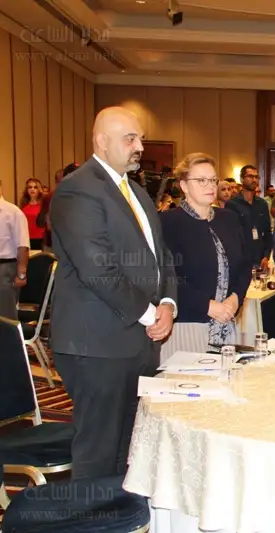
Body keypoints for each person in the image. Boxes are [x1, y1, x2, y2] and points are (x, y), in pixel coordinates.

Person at [49, 106, 178, 480]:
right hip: (97, 344)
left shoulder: (136, 191)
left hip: (137, 341)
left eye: (140, 139)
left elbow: (161, 255)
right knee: (99, 452)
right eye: (130, 139)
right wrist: (150, 313)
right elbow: (97, 268)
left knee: (130, 448)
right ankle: (92, 512)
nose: (140, 147)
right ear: (101, 141)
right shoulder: (77, 189)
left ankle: (122, 510)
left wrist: (167, 303)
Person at [159, 153, 250, 362]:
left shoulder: (229, 219)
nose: (209, 186)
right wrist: (208, 306)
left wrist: (236, 297)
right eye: (201, 180)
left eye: (213, 180)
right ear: (184, 185)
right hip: (187, 325)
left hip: (227, 324)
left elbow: (244, 265)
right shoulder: (167, 223)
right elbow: (167, 277)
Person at [226, 165, 272, 270]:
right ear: (242, 179)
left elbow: (267, 232)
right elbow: (230, 235)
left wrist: (266, 255)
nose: (254, 179)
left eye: (256, 177)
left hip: (260, 259)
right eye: (250, 176)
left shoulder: (262, 204)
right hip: (241, 260)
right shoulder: (232, 204)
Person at [0, 180, 30, 320]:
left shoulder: (13, 212)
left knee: (5, 316)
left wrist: (21, 274)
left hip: (5, 268)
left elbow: (23, 245)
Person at [19, 178, 46, 250]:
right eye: (30, 187)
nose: (32, 189)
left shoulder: (43, 205)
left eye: (35, 187)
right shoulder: (24, 205)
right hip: (27, 238)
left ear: (39, 190)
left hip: (41, 238)